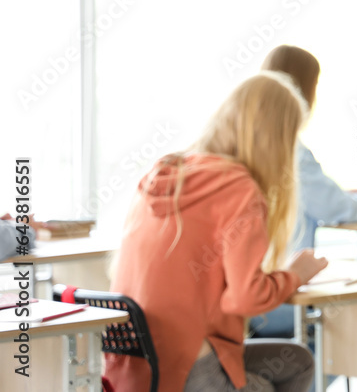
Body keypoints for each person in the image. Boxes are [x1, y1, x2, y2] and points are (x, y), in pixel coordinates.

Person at [105, 72, 329, 392]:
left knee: (296, 361)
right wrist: (294, 274)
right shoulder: (238, 188)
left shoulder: (165, 173)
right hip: (186, 370)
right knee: (288, 371)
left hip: (131, 372)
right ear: (278, 140)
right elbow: (245, 298)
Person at [249, 44, 357, 341]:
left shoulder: (248, 145)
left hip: (252, 293)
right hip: (277, 300)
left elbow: (328, 200)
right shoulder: (290, 152)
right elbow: (340, 210)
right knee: (340, 337)